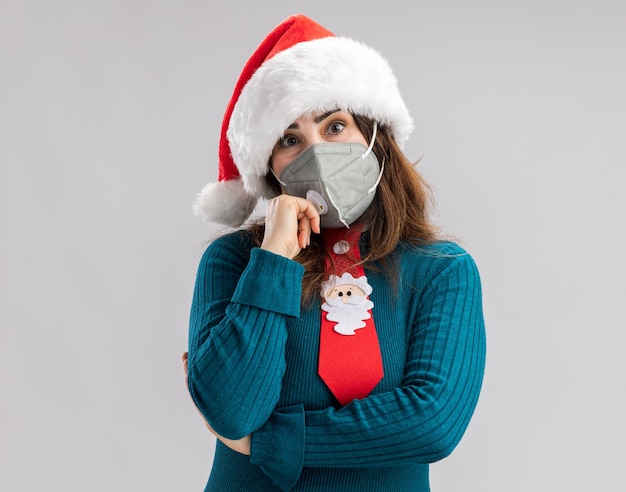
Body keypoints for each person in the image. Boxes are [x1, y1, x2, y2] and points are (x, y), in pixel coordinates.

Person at [184, 14, 486, 492]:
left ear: (374, 137)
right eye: (290, 139)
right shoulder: (235, 261)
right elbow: (231, 408)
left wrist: (272, 441)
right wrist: (274, 260)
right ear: (269, 165)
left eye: (335, 126)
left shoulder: (442, 272)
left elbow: (432, 423)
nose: (316, 151)